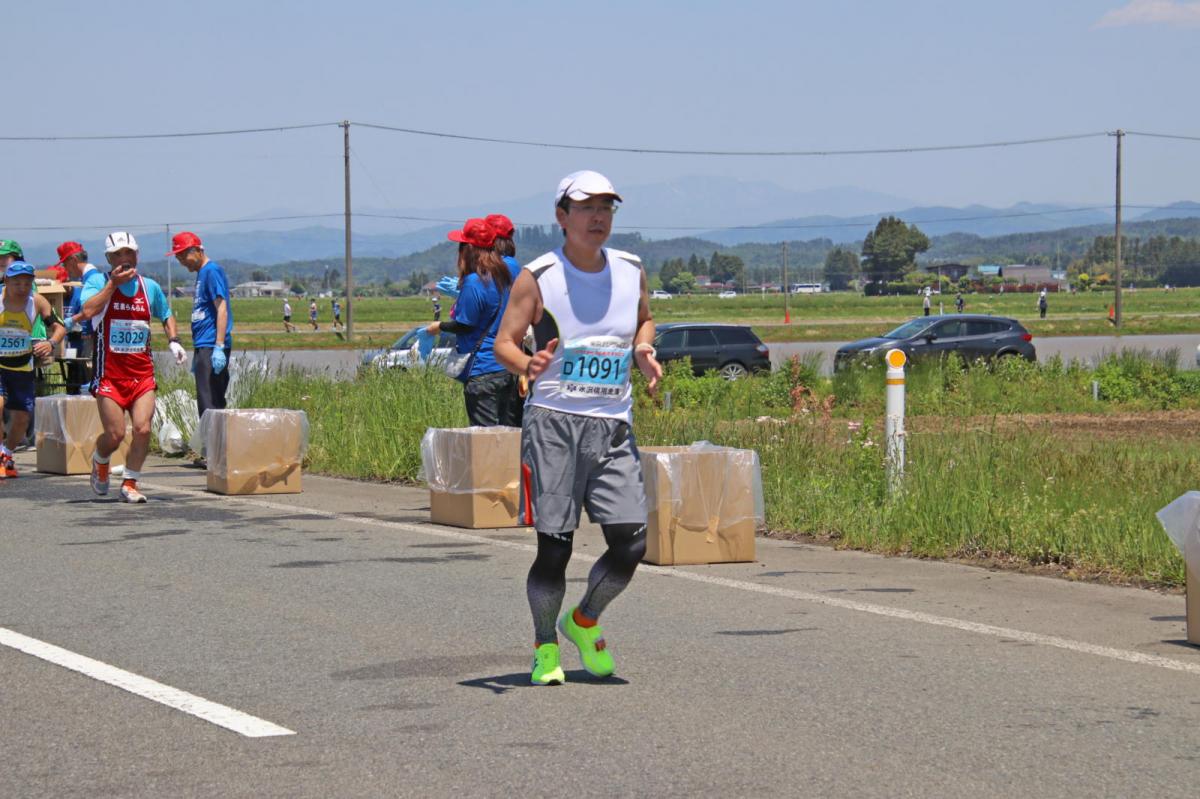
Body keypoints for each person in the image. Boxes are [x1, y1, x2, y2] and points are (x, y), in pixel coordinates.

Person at [494, 170, 662, 686]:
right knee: (556, 547)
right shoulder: (539, 276)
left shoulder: (631, 269)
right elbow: (504, 341)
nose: (598, 218)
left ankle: (583, 620)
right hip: (555, 425)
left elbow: (644, 320)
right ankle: (546, 645)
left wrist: (643, 349)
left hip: (612, 426)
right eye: (586, 208)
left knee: (632, 543)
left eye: (607, 209)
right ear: (562, 217)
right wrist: (526, 366)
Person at [78, 232, 187, 503]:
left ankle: (130, 482)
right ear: (109, 259)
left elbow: (167, 313)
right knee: (114, 435)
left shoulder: (149, 287)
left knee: (143, 429)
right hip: (110, 376)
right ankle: (101, 459)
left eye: (128, 253)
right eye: (117, 255)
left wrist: (174, 340)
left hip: (141, 375)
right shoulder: (97, 282)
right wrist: (112, 286)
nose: (123, 259)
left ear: (136, 255)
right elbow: (89, 311)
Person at [425, 218, 520, 426]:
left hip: (482, 368)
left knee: (484, 442)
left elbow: (466, 324)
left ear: (468, 249)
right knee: (507, 436)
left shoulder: (474, 281)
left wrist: (438, 327)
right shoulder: (503, 272)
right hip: (505, 366)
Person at [0, 261, 66, 477]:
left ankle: (7, 453)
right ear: (6, 281)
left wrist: (50, 343)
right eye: (16, 282)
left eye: (27, 283)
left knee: (22, 419)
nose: (22, 287)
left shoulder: (37, 301)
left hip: (22, 366)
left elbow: (59, 327)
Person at [169, 232, 233, 426]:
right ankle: (212, 448)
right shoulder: (201, 274)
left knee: (210, 402)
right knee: (206, 399)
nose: (182, 262)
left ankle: (214, 452)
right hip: (203, 344)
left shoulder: (211, 271)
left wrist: (219, 346)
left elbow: (221, 307)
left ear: (197, 250)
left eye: (183, 256)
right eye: (178, 258)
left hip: (211, 344)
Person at [59, 242, 105, 394]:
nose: (66, 269)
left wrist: (73, 321)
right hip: (93, 334)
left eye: (65, 264)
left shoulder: (92, 279)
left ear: (73, 260)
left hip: (95, 335)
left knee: (92, 373)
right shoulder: (91, 277)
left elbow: (90, 310)